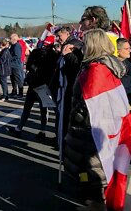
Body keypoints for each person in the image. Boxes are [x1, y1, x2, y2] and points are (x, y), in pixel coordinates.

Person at [63, 29, 126, 208]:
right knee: (92, 178)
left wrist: (75, 114)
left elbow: (91, 106)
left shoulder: (95, 70)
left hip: (89, 135)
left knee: (91, 181)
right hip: (98, 132)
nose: (82, 47)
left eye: (85, 43)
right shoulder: (105, 66)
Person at [7, 36, 59, 139]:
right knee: (27, 108)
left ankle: (42, 131)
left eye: (47, 45)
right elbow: (29, 64)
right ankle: (19, 128)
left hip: (44, 86)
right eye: (44, 44)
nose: (44, 46)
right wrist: (35, 68)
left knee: (44, 109)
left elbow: (53, 70)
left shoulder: (53, 55)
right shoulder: (36, 52)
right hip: (33, 84)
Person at [52, 27, 83, 142]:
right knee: (61, 114)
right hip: (62, 84)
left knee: (65, 114)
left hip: (69, 85)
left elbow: (78, 64)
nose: (58, 39)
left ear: (67, 34)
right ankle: (59, 138)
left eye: (59, 36)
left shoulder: (75, 45)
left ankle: (63, 140)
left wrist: (67, 55)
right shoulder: (66, 44)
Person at [116, 38, 131, 104]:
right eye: (126, 49)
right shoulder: (114, 66)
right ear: (118, 51)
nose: (130, 51)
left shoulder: (127, 62)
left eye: (130, 48)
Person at [9, 33, 24, 97]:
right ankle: (14, 91)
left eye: (10, 39)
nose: (9, 40)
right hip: (12, 65)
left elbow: (17, 56)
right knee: (13, 79)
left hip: (16, 65)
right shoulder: (12, 46)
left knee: (18, 79)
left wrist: (9, 59)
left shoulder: (17, 46)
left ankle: (20, 93)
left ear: (14, 39)